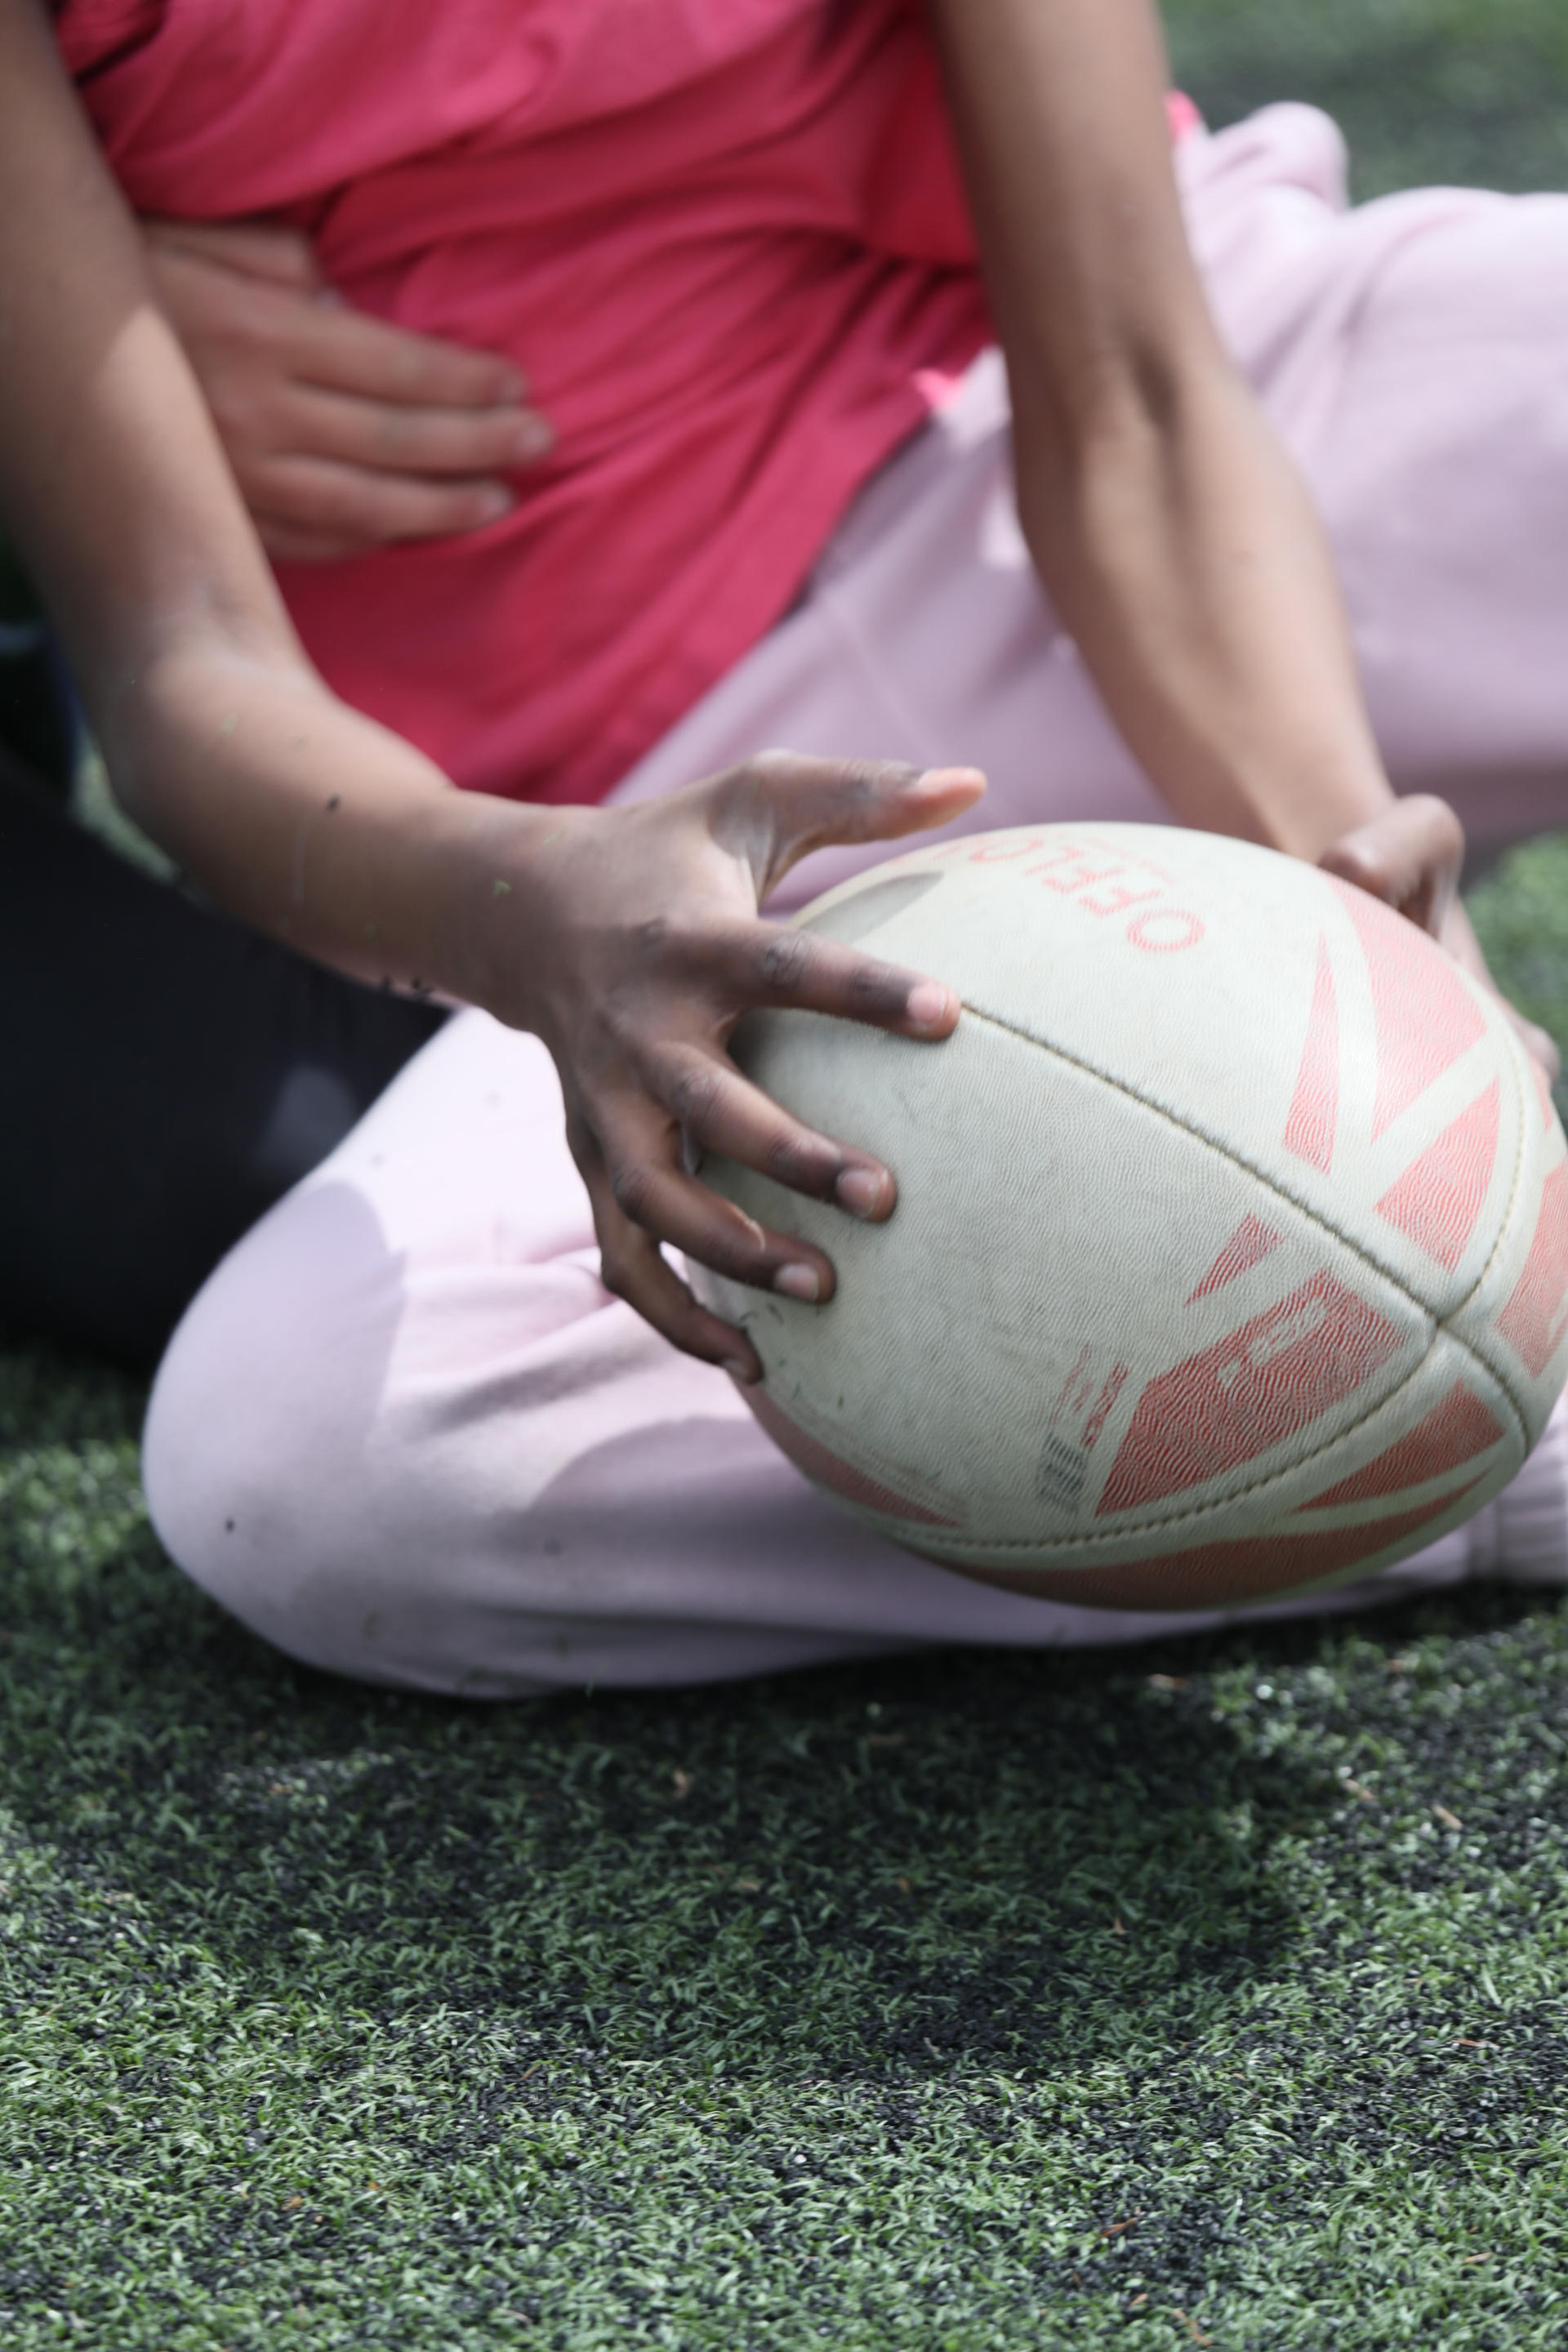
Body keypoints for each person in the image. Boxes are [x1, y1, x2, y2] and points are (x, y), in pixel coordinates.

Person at [2, 0, 1566, 1695]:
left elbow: (1135, 397)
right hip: (658, 841)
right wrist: (536, 913)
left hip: (1193, 476)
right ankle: (1451, 1437)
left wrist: (1333, 861)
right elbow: (187, 671)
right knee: (303, 1462)